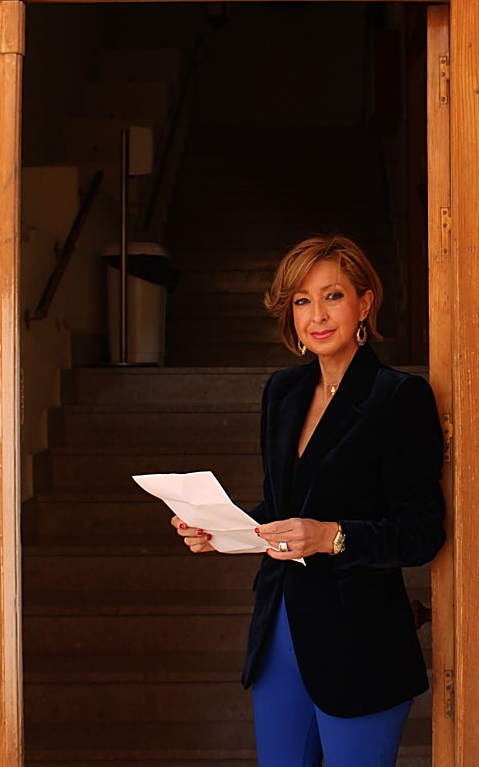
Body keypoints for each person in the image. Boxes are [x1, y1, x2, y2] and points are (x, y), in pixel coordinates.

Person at [170, 234, 447, 767]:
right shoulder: (282, 392)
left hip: (361, 643)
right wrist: (220, 530)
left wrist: (332, 535)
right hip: (279, 634)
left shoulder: (398, 397)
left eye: (333, 296)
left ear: (365, 302)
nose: (316, 315)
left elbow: (422, 531)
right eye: (302, 300)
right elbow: (281, 510)